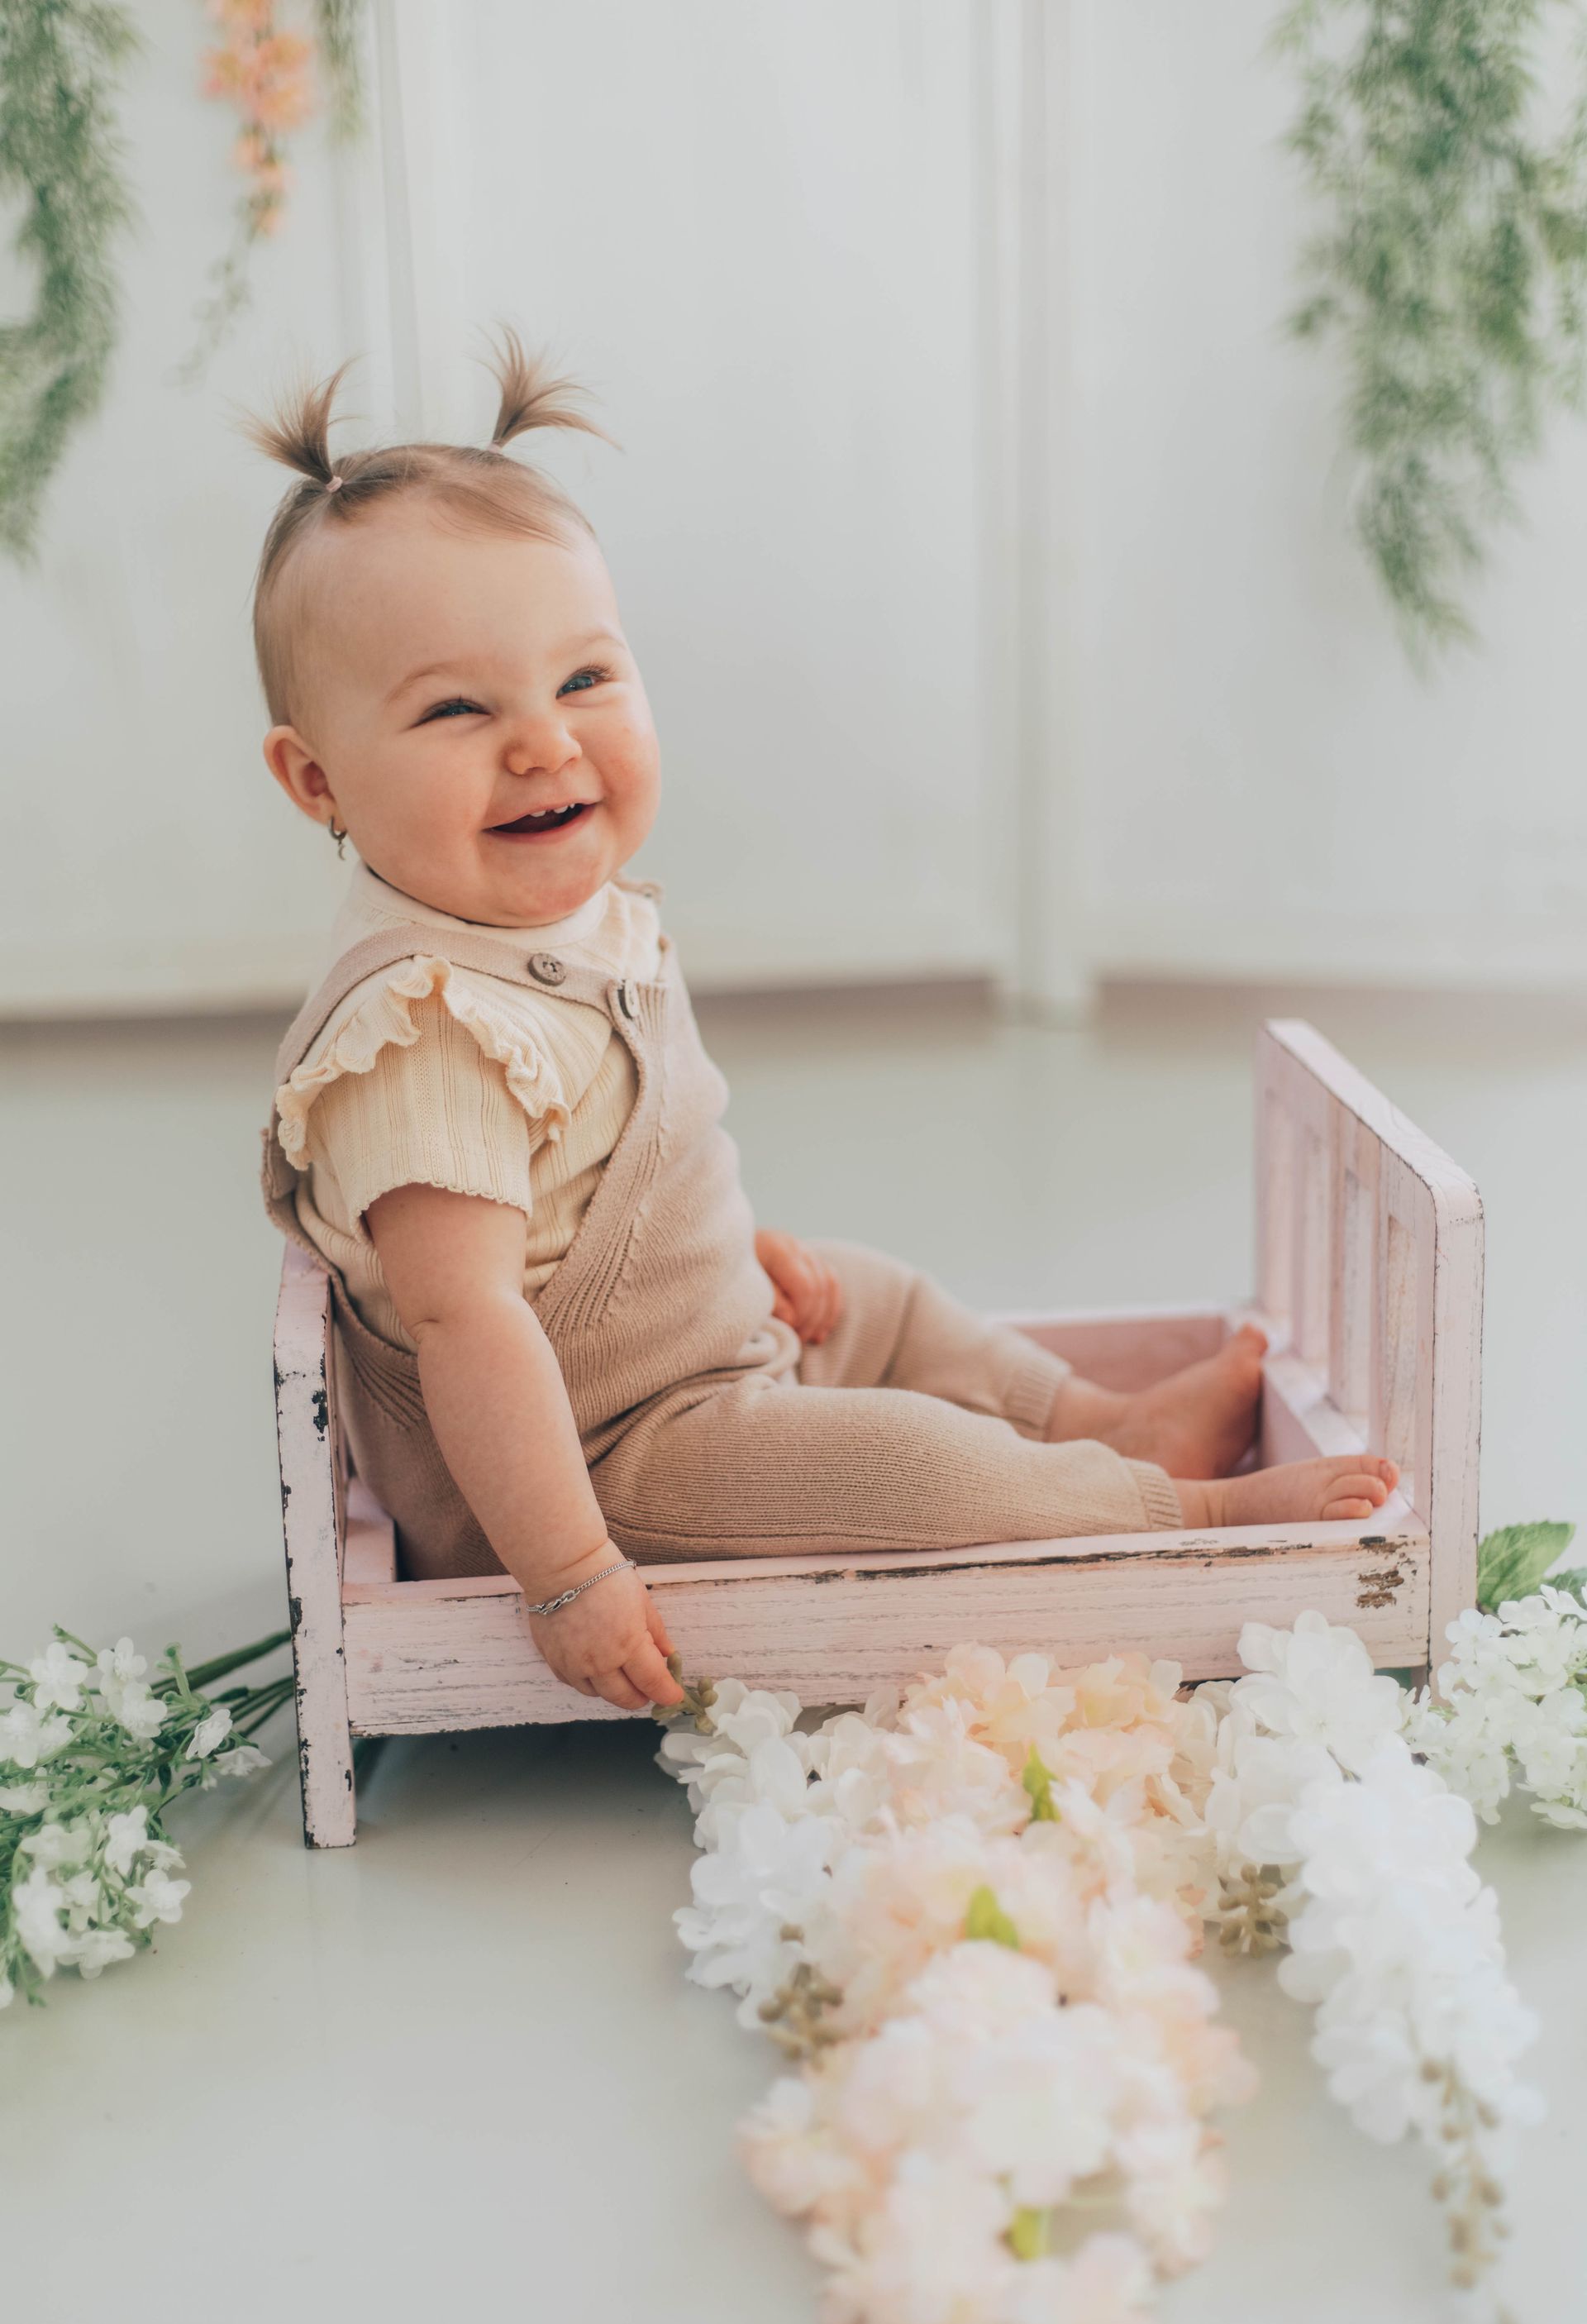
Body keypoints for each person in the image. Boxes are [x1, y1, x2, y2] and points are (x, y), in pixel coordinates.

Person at [256, 336, 1398, 1716]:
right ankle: (1185, 1516)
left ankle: (1100, 1423)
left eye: (586, 680)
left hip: (683, 1363)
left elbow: (595, 1190)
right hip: (591, 1464)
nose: (545, 743)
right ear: (317, 780)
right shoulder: (422, 1035)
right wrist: (566, 1573)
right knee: (910, 1466)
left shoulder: (551, 920)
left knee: (884, 1300)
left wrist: (721, 1264)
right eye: (455, 708)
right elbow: (468, 1321)